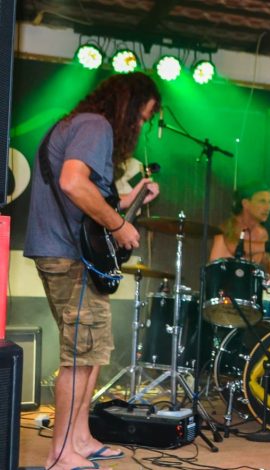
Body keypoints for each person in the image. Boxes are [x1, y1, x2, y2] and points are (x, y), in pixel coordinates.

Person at [24, 73, 161, 470]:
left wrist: (129, 200)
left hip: (64, 251)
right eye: (142, 117)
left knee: (92, 350)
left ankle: (80, 438)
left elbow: (87, 196)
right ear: (128, 106)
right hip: (70, 255)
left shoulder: (77, 124)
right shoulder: (95, 125)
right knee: (81, 355)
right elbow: (72, 183)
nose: (140, 127)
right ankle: (61, 453)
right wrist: (119, 226)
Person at [209, 181, 270, 282]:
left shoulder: (262, 233)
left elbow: (267, 263)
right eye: (262, 201)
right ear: (246, 203)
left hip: (248, 288)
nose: (268, 207)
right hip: (222, 287)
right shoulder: (228, 227)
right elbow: (235, 246)